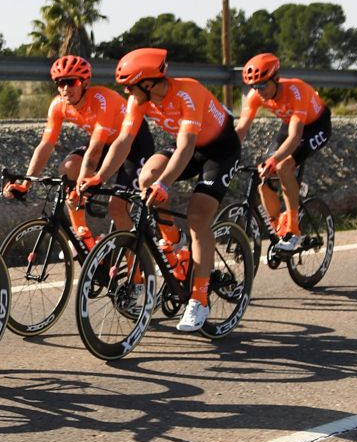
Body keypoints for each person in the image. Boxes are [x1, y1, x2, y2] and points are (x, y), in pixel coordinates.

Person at [83, 48, 241, 332]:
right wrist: (100, 177)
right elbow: (123, 142)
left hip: (219, 152)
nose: (127, 92)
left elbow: (186, 147)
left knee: (198, 217)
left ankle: (200, 298)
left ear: (148, 83)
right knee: (147, 177)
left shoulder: (187, 93)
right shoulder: (138, 100)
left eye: (130, 86)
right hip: (186, 147)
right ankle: (173, 239)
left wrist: (165, 185)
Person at [4, 55, 154, 245]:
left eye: (71, 82)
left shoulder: (102, 100)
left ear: (85, 83)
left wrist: (81, 187)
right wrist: (26, 183)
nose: (66, 88)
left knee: (117, 208)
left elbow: (95, 151)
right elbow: (45, 145)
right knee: (68, 168)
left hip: (135, 143)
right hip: (105, 141)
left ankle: (153, 257)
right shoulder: (58, 105)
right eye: (60, 83)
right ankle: (82, 235)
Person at [235, 53, 332, 251]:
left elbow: (296, 137)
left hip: (316, 125)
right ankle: (280, 225)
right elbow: (241, 130)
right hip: (289, 124)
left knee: (283, 166)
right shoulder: (255, 96)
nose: (258, 91)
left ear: (276, 79)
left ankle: (294, 231)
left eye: (263, 85)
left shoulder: (297, 91)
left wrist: (274, 160)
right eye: (254, 86)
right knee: (263, 177)